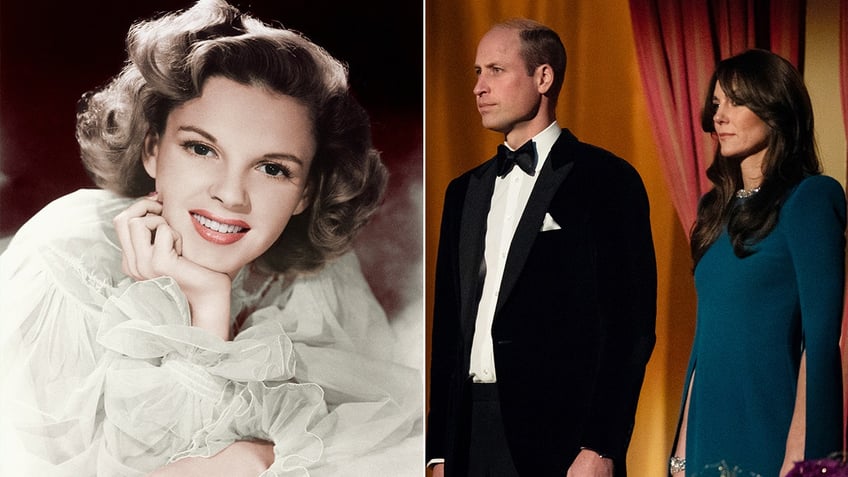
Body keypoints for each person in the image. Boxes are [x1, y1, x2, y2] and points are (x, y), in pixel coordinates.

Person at [0, 0, 420, 475]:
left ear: (305, 193)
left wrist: (208, 301)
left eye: (271, 168)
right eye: (202, 148)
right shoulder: (66, 264)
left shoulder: (313, 283)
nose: (230, 194)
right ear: (153, 149)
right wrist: (248, 458)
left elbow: (370, 444)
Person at [426, 18, 657, 477]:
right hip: (469, 434)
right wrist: (437, 451)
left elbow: (629, 328)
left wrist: (601, 445)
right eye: (476, 72)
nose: (478, 87)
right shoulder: (463, 191)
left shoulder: (606, 180)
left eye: (495, 69)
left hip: (564, 442)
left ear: (543, 77)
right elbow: (449, 328)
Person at [669, 49, 845, 477]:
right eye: (716, 104)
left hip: (773, 432)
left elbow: (819, 343)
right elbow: (705, 340)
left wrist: (805, 457)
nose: (719, 117)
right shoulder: (714, 209)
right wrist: (680, 451)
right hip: (706, 434)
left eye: (736, 102)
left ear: (776, 109)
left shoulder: (812, 198)